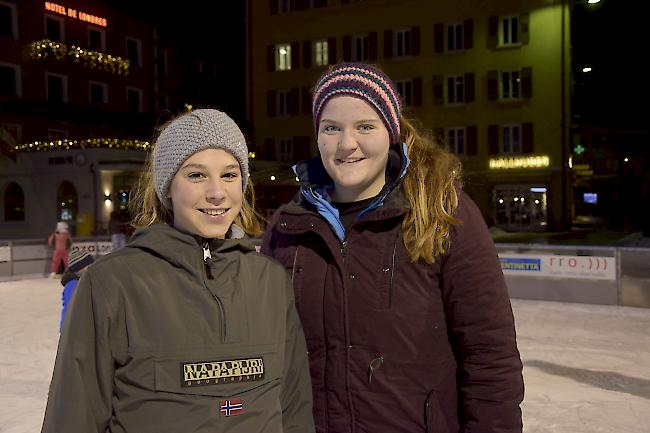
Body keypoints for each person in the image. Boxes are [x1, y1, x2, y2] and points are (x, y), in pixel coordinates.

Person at [262, 63, 524, 433]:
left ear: (391, 132)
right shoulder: (288, 226)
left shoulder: (442, 213)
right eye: (331, 128)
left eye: (364, 126)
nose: (346, 143)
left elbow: (489, 357)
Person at [42, 109, 315, 433]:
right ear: (167, 187)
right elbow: (73, 419)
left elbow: (295, 410)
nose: (217, 192)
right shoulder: (112, 284)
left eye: (229, 175)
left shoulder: (271, 282)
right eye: (197, 175)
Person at [59, 249, 95, 331]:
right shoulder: (72, 285)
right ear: (80, 269)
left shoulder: (85, 281)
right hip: (72, 329)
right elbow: (72, 309)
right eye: (89, 266)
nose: (92, 268)